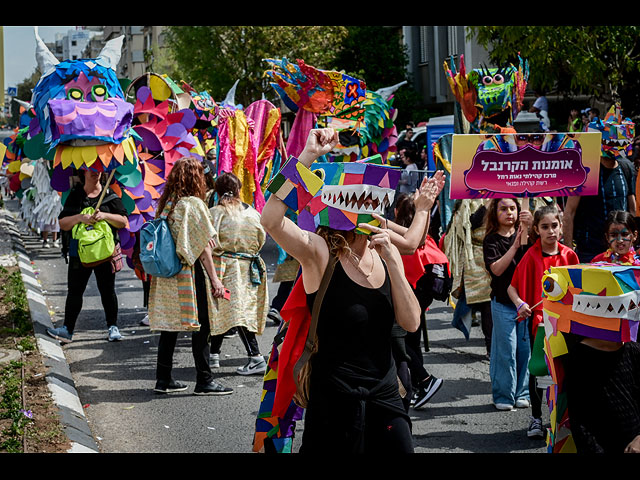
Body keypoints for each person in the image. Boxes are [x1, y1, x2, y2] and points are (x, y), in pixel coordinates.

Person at [260, 128, 421, 453]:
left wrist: (393, 264)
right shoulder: (319, 252)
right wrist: (307, 156)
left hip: (385, 394)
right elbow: (271, 221)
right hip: (333, 399)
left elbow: (411, 322)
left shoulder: (385, 252)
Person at [147, 157, 233, 396]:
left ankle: (163, 379)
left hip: (168, 273)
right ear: (197, 178)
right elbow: (203, 247)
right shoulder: (194, 204)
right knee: (202, 325)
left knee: (170, 328)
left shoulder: (169, 203)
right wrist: (215, 280)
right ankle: (204, 380)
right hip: (189, 272)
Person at [507, 204, 579, 439]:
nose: (550, 231)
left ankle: (564, 417)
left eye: (554, 226)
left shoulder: (570, 255)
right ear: (536, 229)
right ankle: (536, 418)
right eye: (545, 227)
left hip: (567, 324)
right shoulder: (530, 256)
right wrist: (520, 304)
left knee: (567, 371)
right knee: (538, 371)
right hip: (540, 325)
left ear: (561, 227)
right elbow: (512, 288)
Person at [46, 169, 128, 344]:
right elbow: (62, 223)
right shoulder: (76, 195)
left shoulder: (109, 194)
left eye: (98, 168)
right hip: (79, 254)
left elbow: (123, 221)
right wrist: (80, 217)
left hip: (105, 254)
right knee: (75, 291)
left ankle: (113, 327)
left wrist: (104, 215)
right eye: (91, 168)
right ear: (83, 172)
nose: (95, 172)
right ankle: (67, 329)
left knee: (107, 291)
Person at [208, 172, 269, 375]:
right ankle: (214, 354)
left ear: (217, 191)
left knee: (234, 311)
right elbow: (262, 239)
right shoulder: (253, 213)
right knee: (229, 309)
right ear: (239, 190)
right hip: (251, 268)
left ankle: (256, 357)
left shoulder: (215, 213)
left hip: (225, 269)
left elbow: (207, 240)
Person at [393, 193, 445, 410]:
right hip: (418, 293)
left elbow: (414, 243)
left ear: (396, 211)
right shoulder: (415, 232)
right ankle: (419, 384)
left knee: (399, 341)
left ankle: (424, 380)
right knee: (410, 340)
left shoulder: (400, 235)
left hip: (410, 293)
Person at [482, 198, 533, 411]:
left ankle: (522, 393)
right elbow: (497, 270)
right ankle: (503, 395)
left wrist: (529, 227)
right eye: (503, 209)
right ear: (495, 213)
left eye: (513, 208)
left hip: (526, 302)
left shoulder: (526, 236)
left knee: (524, 350)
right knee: (506, 350)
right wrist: (513, 246)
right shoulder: (491, 240)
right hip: (503, 302)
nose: (509, 213)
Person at [563, 151, 636, 263]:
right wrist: (569, 254)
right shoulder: (586, 170)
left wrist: (630, 245)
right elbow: (569, 212)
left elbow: (632, 210)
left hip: (621, 252)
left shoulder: (626, 167)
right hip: (589, 252)